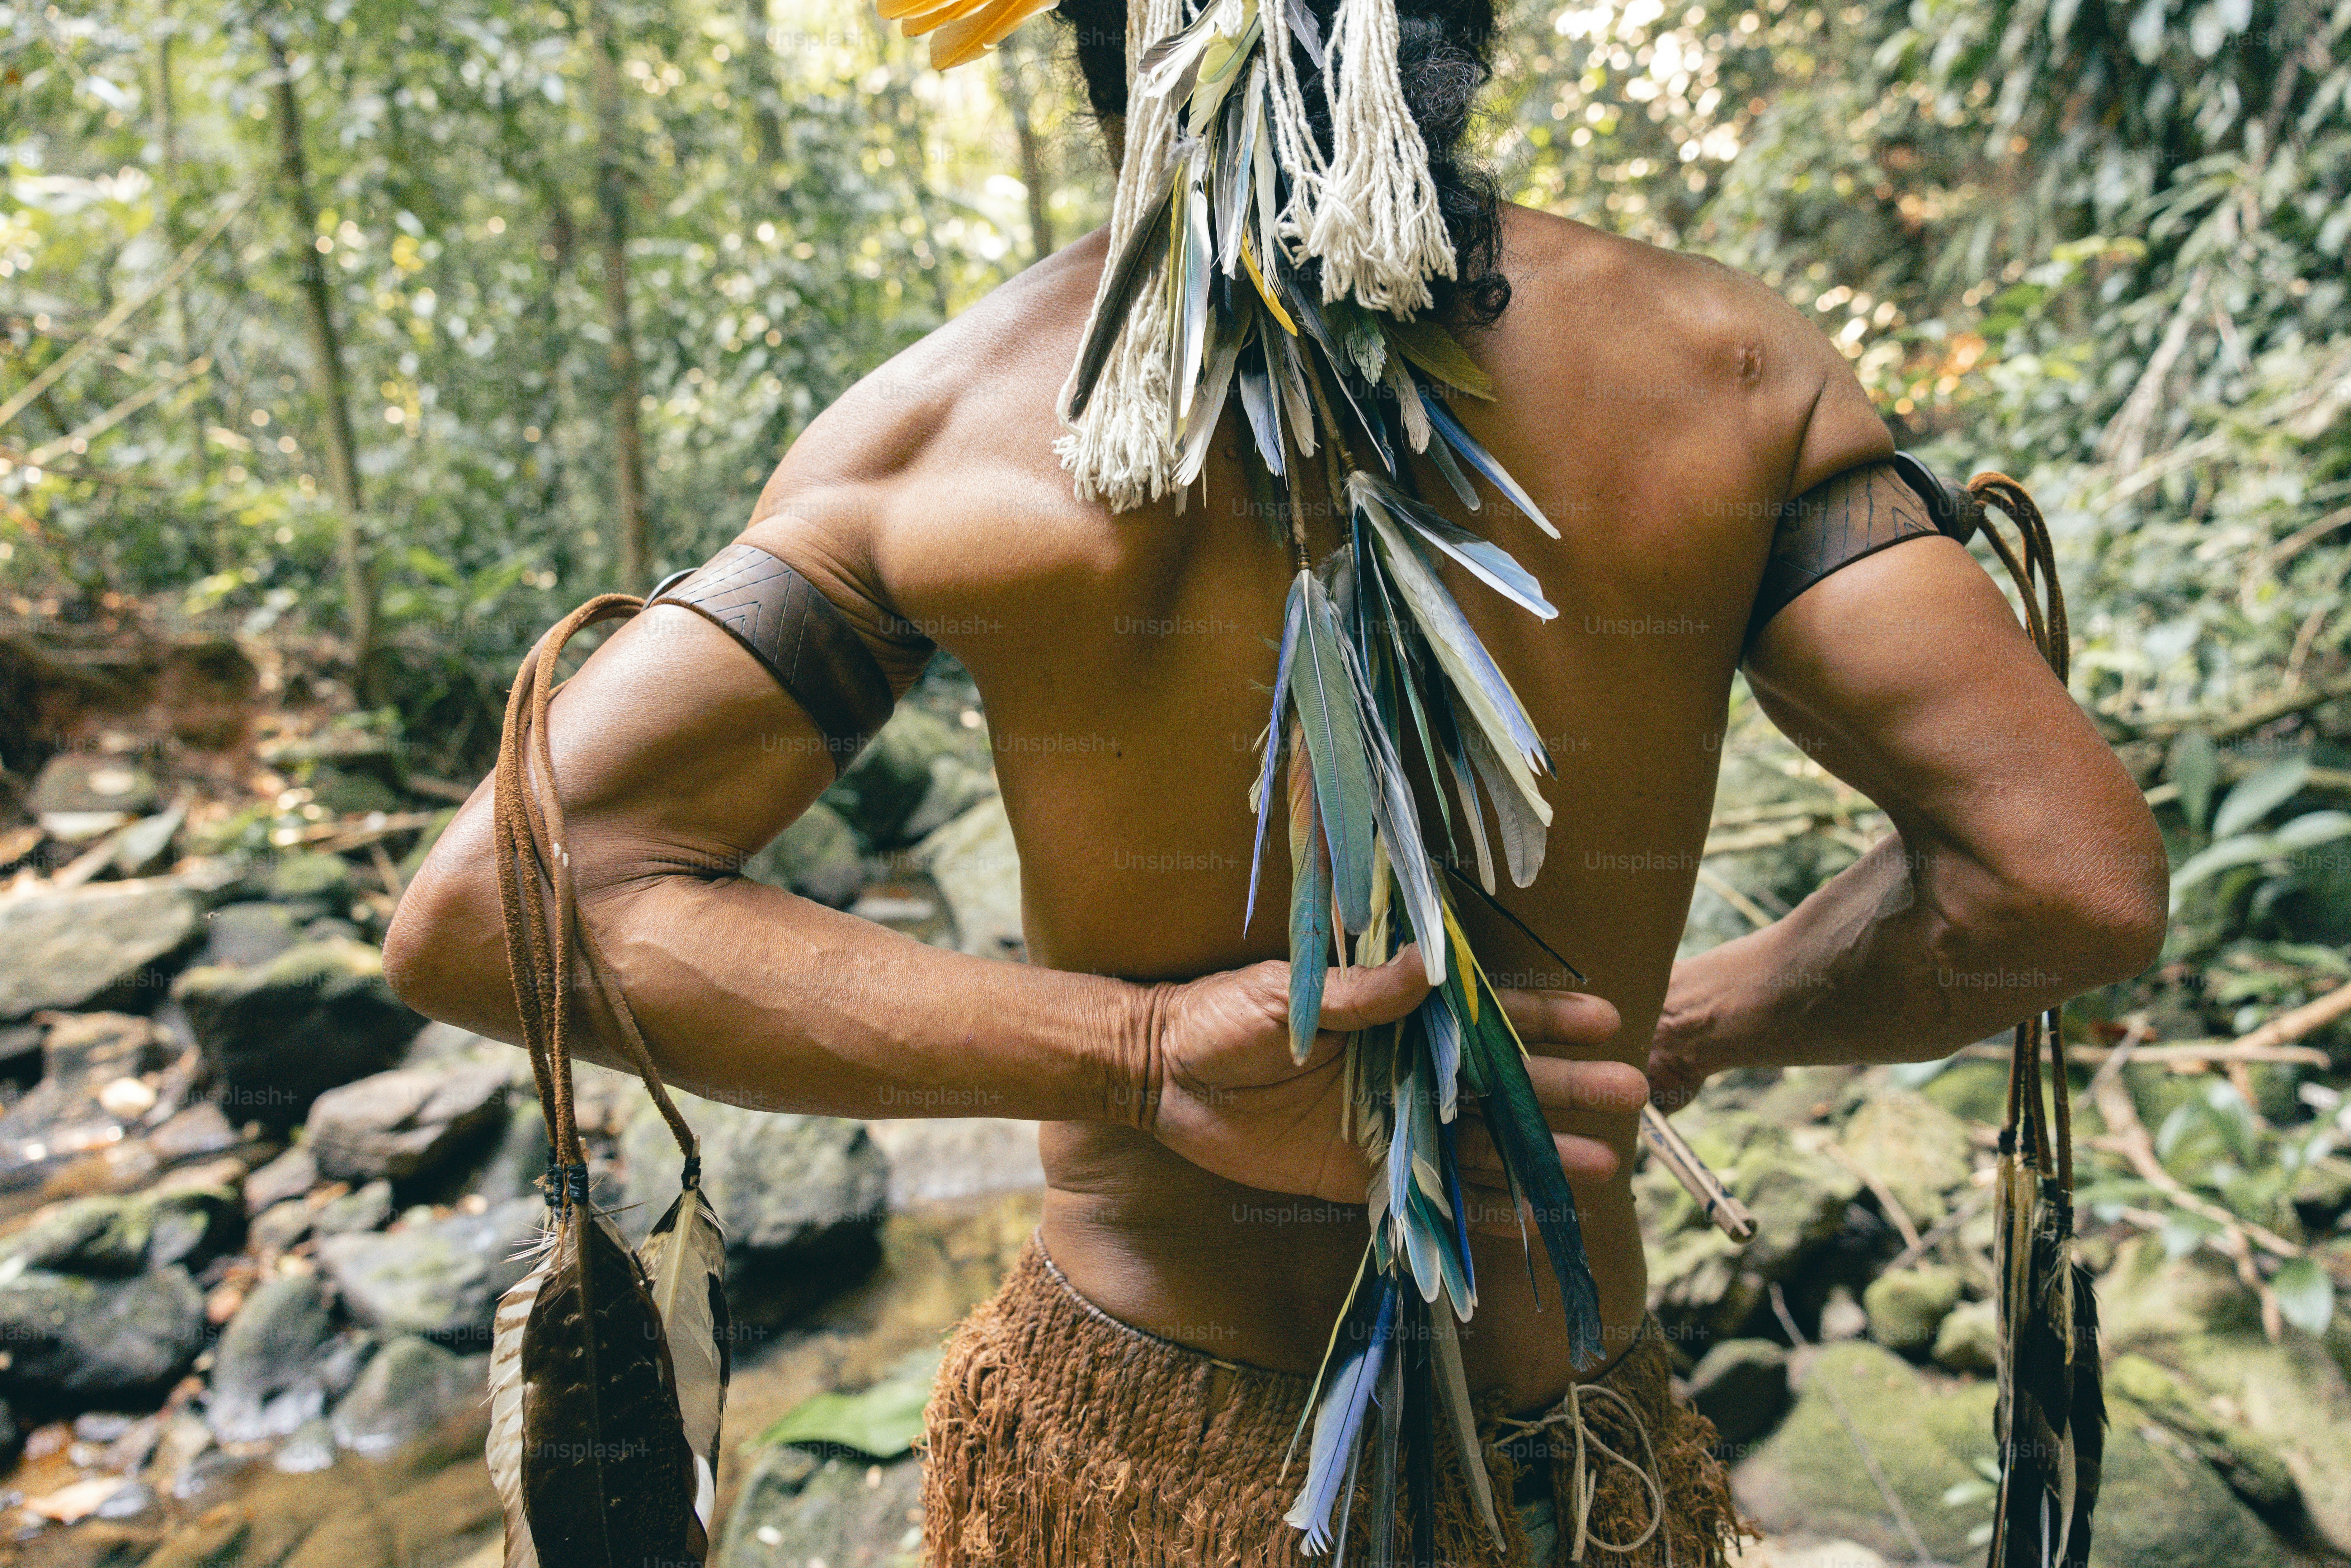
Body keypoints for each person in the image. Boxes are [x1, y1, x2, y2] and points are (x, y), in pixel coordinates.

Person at [383, 0, 2169, 1560]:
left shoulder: (948, 427)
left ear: (1097, 42)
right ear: (1459, 37)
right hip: (1574, 1461)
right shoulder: (1728, 377)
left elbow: (497, 912)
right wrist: (1674, 1022)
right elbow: (2058, 884)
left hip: (1119, 1461)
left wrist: (1143, 1056)